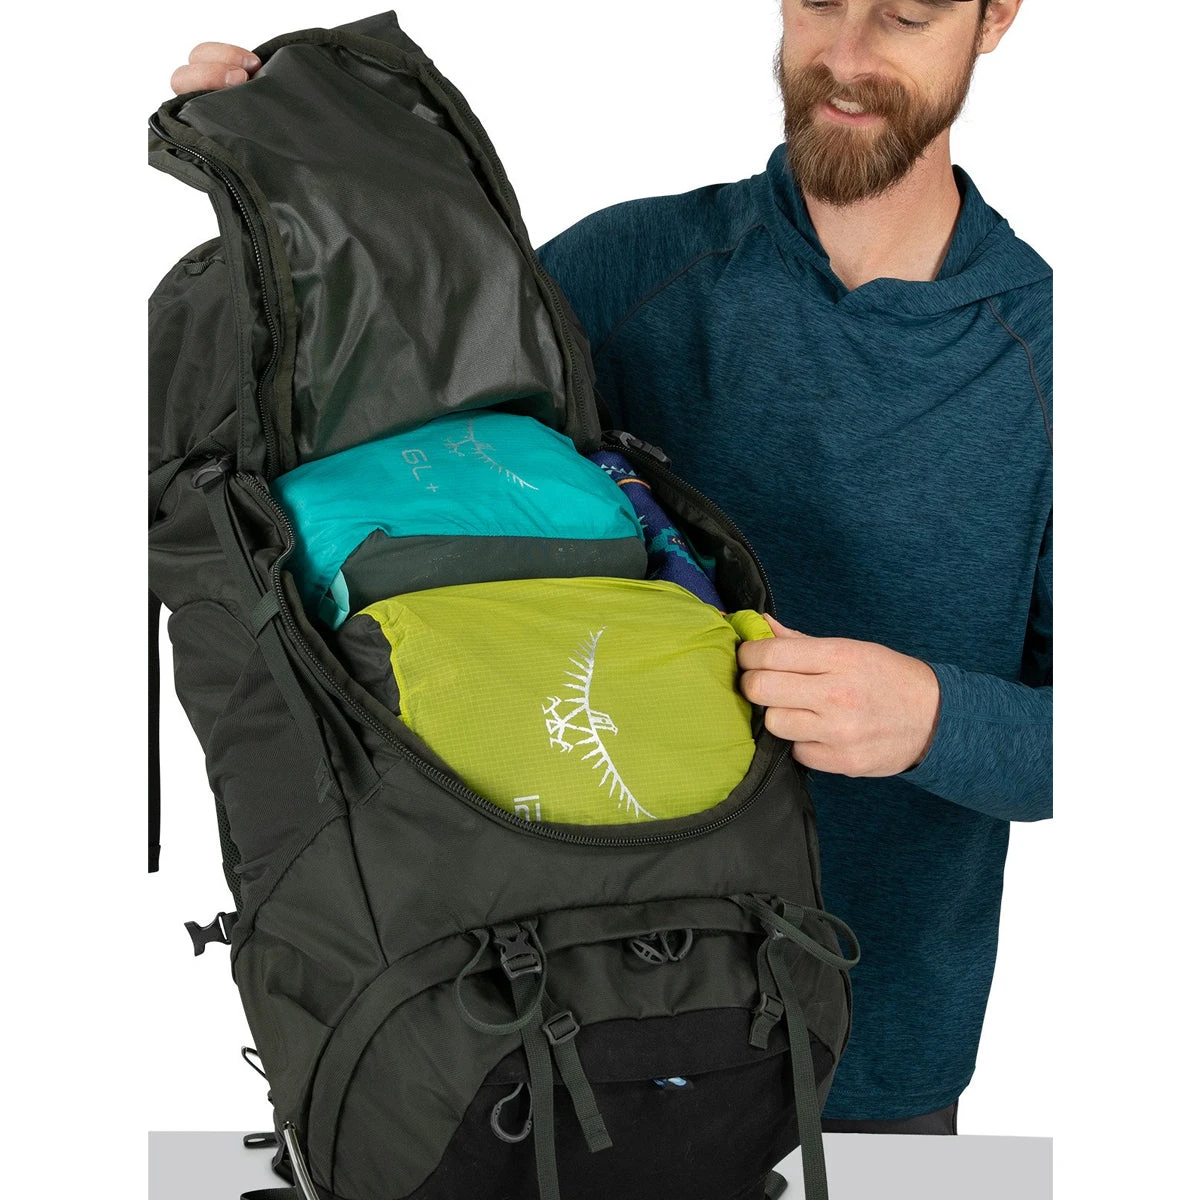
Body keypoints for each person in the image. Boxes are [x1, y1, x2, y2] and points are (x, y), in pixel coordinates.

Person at [168, 0, 1050, 1136]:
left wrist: (933, 718)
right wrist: (291, 169)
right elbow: (351, 438)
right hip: (540, 1024)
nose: (844, 56)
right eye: (818, 3)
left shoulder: (1063, 357)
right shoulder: (629, 269)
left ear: (994, 17)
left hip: (871, 1070)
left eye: (904, 16)